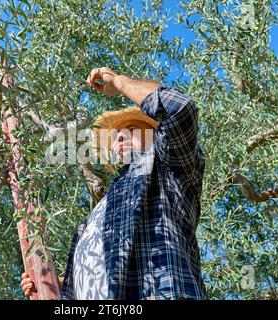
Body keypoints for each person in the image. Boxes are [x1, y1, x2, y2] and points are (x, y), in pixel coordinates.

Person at [21, 67, 207, 300]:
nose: (119, 137)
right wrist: (55, 286)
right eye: (116, 135)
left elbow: (179, 109)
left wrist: (118, 81)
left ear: (156, 134)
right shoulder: (97, 212)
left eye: (131, 129)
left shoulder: (167, 167)